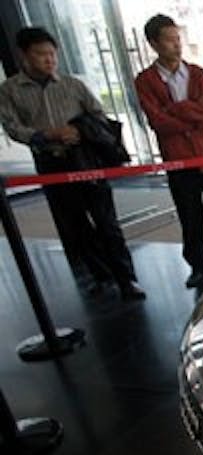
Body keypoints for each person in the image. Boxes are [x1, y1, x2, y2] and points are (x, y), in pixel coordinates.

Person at [0, 27, 145, 300]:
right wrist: (45, 135)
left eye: (52, 54)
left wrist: (79, 130)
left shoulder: (72, 85)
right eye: (41, 54)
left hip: (85, 160)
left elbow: (98, 114)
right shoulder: (10, 90)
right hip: (50, 162)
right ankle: (100, 276)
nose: (49, 59)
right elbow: (12, 127)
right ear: (24, 56)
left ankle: (126, 278)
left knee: (106, 222)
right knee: (75, 225)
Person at [134, 14, 203, 289]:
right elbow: (157, 121)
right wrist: (189, 115)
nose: (177, 44)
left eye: (178, 38)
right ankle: (199, 269)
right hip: (178, 160)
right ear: (153, 43)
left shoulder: (197, 74)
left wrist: (176, 108)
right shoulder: (146, 80)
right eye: (169, 40)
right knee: (190, 218)